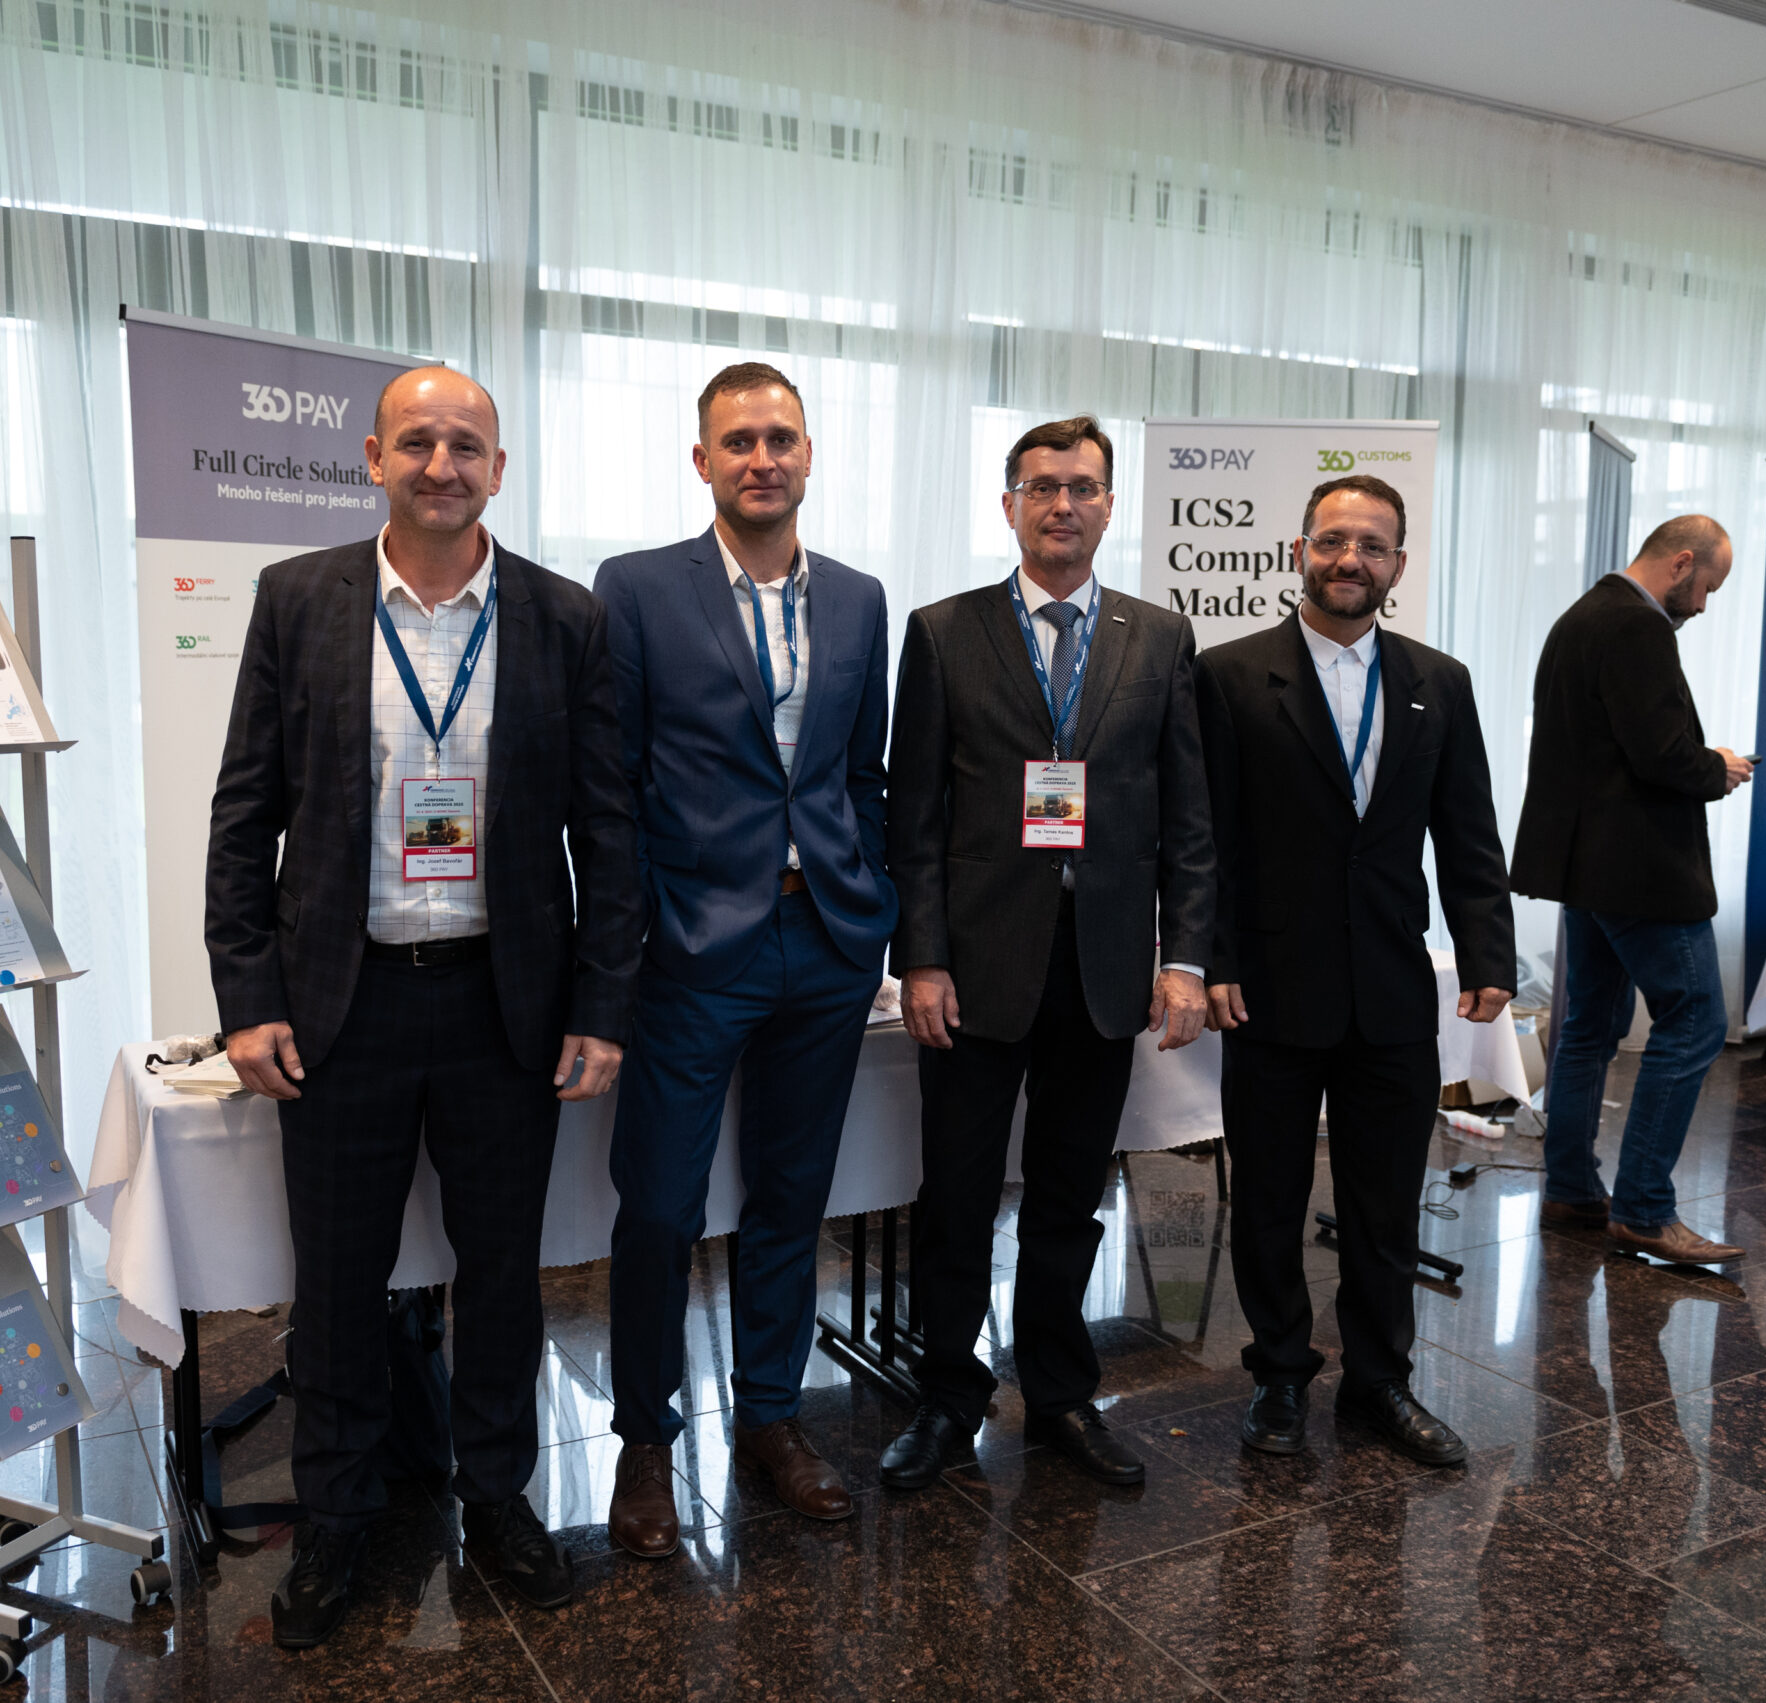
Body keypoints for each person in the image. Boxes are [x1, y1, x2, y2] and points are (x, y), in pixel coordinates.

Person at [206, 366, 641, 1643]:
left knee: (502, 1274)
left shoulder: (564, 616)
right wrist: (247, 994)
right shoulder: (299, 598)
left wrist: (601, 1003)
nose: (441, 465)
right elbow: (244, 813)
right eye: (417, 442)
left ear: (498, 468)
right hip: (342, 1006)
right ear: (373, 457)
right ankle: (338, 1515)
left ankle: (498, 1493)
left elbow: (607, 832)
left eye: (466, 445)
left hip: (506, 1003)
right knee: (337, 1282)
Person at [591, 364, 896, 1556]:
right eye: (738, 440)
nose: (761, 457)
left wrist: (870, 905)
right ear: (703, 460)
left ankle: (771, 1416)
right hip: (689, 949)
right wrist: (633, 939)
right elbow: (611, 787)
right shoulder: (637, 588)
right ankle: (645, 1440)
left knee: (790, 1195)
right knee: (660, 1208)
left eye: (781, 437)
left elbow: (860, 774)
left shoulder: (860, 599)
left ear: (809, 453)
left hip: (824, 940)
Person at [881, 415, 1217, 1492]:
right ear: (1009, 505)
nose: (1061, 504)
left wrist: (1185, 956)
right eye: (1041, 486)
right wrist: (920, 957)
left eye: (1081, 486)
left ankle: (1063, 1393)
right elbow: (913, 815)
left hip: (1105, 967)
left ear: (1109, 505)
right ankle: (948, 1395)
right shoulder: (944, 632)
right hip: (974, 969)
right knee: (956, 1197)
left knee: (1070, 1198)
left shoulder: (1158, 638)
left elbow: (1188, 815)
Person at [1196, 474, 1515, 1467]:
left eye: (1372, 546)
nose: (1350, 560)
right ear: (1300, 552)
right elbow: (1206, 838)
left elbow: (1467, 829)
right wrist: (1211, 957)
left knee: (1384, 1203)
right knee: (1268, 1199)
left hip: (1390, 984)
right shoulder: (1228, 675)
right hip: (1268, 986)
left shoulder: (1439, 681)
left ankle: (1380, 1380)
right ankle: (1280, 1375)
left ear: (1397, 565)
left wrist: (1488, 950)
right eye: (1333, 541)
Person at [1511, 515, 1753, 1265]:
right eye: (1708, 586)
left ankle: (1571, 1188)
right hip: (1641, 868)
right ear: (1680, 562)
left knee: (1588, 1026)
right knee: (1696, 1020)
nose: (1704, 604)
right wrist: (1717, 767)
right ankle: (1645, 1209)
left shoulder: (1582, 614)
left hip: (1586, 865)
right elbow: (1659, 755)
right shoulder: (1638, 626)